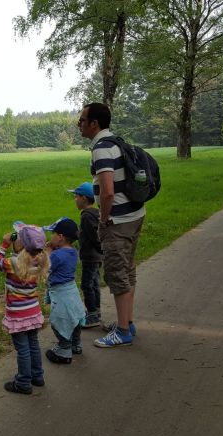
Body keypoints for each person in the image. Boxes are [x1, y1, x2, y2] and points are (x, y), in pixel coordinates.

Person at [78, 102, 145, 348]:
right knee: (127, 270)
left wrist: (104, 221)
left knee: (117, 275)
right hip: (135, 214)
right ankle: (127, 321)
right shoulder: (116, 141)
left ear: (94, 123)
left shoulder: (102, 149)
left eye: (82, 120)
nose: (79, 125)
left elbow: (107, 192)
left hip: (118, 221)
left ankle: (123, 331)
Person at [0, 222, 50, 394]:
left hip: (18, 314)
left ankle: (23, 382)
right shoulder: (40, 259)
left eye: (17, 237)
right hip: (33, 311)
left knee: (23, 349)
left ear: (22, 245)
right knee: (33, 344)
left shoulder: (13, 262)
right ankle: (37, 376)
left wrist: (4, 244)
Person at [43, 217, 86, 364]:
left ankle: (64, 350)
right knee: (74, 319)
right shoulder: (73, 251)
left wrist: (47, 250)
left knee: (59, 322)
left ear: (60, 237)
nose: (50, 238)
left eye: (53, 234)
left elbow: (45, 266)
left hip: (61, 295)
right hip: (72, 293)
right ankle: (76, 345)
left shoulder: (56, 255)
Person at [68, 182, 104, 328]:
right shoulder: (95, 213)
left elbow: (94, 237)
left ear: (84, 198)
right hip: (97, 256)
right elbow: (89, 234)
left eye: (76, 196)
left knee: (86, 284)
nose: (75, 199)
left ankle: (92, 315)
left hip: (91, 256)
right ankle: (96, 311)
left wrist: (100, 249)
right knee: (94, 283)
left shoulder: (86, 216)